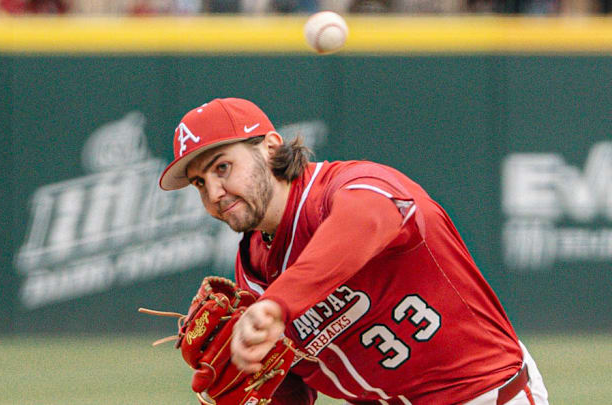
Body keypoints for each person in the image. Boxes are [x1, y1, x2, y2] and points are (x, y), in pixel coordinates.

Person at [159, 97, 549, 404]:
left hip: (483, 395)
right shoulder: (253, 271)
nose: (213, 193)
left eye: (222, 168)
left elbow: (367, 220)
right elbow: (290, 379)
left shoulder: (346, 186)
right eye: (199, 183)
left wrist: (278, 304)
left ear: (269, 147)